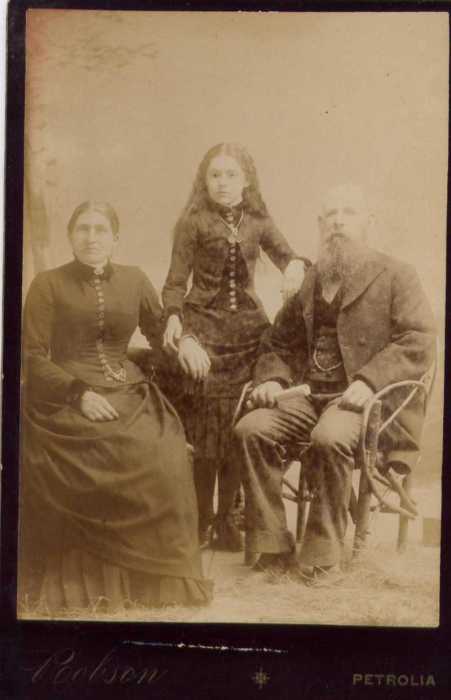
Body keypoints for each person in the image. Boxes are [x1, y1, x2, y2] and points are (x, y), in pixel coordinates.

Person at [18, 201, 212, 614]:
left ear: (115, 238)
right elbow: (31, 356)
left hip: (130, 392)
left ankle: (153, 584)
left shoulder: (135, 279)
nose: (91, 237)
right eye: (83, 229)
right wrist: (79, 394)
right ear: (71, 236)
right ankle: (93, 585)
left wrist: (187, 341)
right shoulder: (47, 284)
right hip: (68, 396)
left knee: (165, 458)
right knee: (97, 453)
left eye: (101, 229)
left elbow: (160, 333)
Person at [233, 184, 436, 578]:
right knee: (250, 429)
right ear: (321, 224)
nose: (338, 222)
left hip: (363, 401)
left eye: (349, 213)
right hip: (308, 396)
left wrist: (371, 380)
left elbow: (418, 339)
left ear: (368, 222)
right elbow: (278, 341)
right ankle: (273, 545)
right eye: (331, 215)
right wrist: (272, 378)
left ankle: (322, 553)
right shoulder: (312, 279)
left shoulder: (397, 274)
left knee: (330, 437)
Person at [162, 143, 308, 550]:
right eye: (215, 175)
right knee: (206, 431)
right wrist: (174, 318)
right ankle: (202, 519)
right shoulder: (192, 222)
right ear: (204, 180)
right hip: (204, 334)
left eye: (230, 175)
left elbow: (289, 257)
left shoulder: (258, 220)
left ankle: (227, 517)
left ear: (246, 180)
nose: (222, 183)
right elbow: (175, 282)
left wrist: (296, 268)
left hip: (247, 334)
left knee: (234, 427)